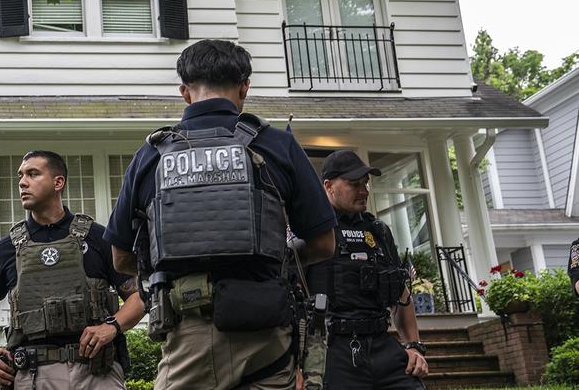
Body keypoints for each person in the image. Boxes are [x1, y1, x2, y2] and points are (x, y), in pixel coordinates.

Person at [105, 39, 337, 390]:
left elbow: (121, 258)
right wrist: (278, 252)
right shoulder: (276, 145)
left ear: (185, 92)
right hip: (266, 333)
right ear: (245, 86)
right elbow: (323, 244)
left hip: (188, 338)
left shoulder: (150, 156)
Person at [0, 150, 144, 389]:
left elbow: (138, 296)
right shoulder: (7, 249)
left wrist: (111, 327)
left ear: (58, 182)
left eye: (33, 174)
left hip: (96, 372)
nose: (22, 182)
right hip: (34, 375)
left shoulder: (97, 238)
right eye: (21, 175)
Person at [307, 150, 428, 390]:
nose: (364, 191)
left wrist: (414, 346)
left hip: (382, 344)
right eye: (354, 184)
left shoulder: (379, 232)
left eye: (366, 184)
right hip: (334, 349)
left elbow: (401, 293)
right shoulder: (311, 231)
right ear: (328, 186)